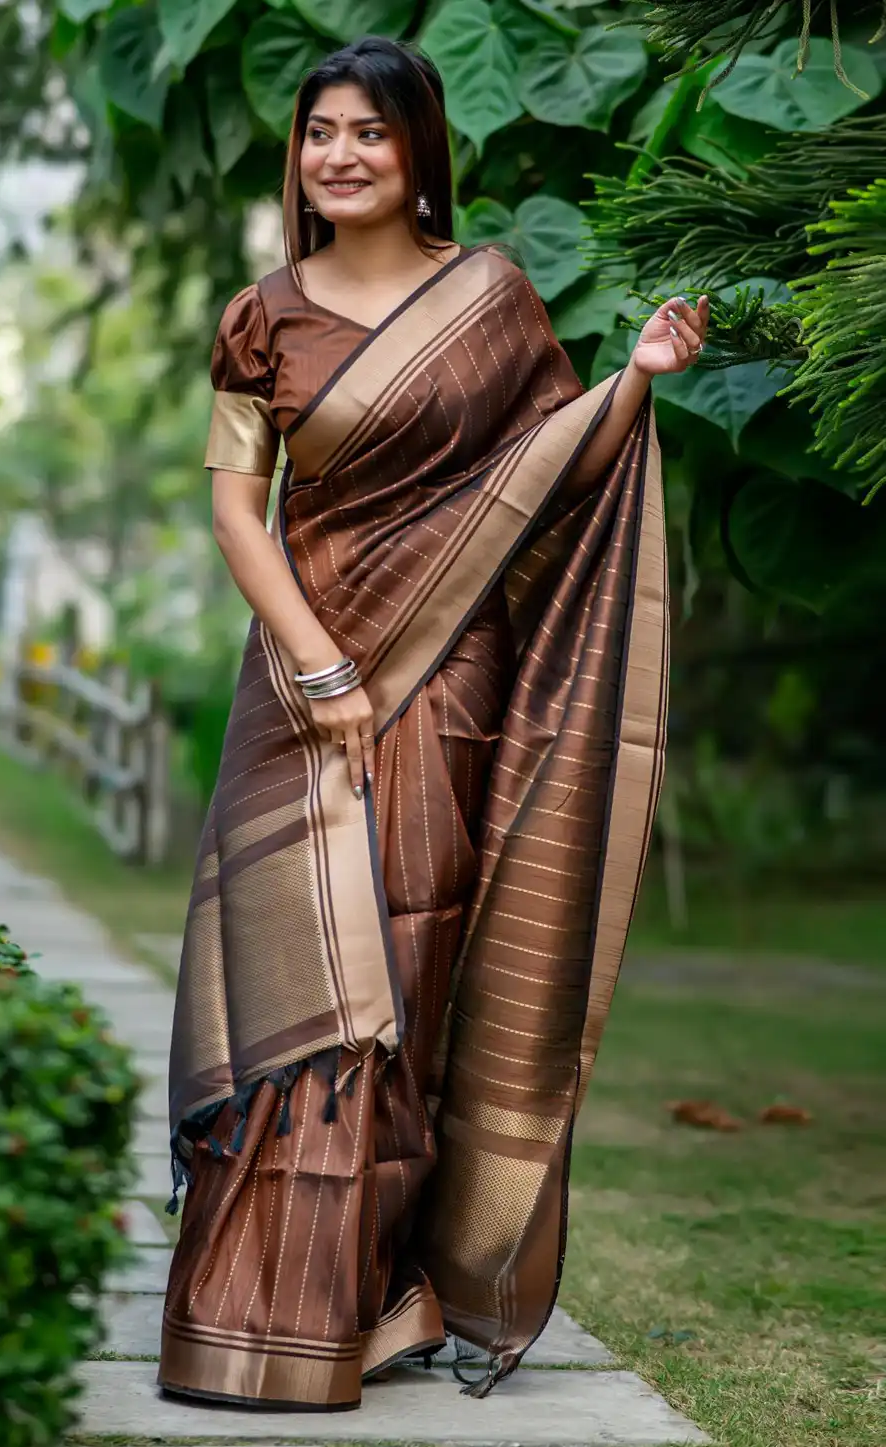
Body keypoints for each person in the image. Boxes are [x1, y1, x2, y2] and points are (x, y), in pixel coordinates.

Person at [160, 34, 708, 1412]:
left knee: (401, 971)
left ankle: (385, 1292)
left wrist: (634, 375)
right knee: (288, 978)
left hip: (444, 685)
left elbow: (549, 471)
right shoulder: (260, 315)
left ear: (418, 153)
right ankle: (252, 1310)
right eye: (319, 132)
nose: (338, 155)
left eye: (370, 134)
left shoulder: (491, 298)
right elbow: (239, 505)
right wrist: (321, 667)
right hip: (299, 686)